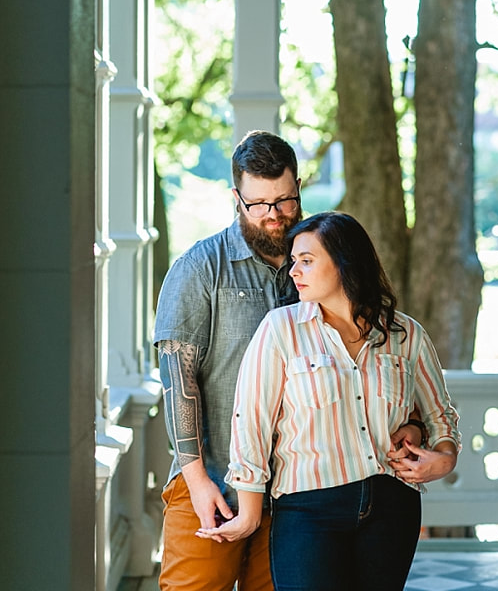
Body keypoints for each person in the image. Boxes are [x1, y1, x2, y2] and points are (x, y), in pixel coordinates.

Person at [155, 131, 423, 590]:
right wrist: (198, 480)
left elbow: (371, 360)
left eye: (284, 200)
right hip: (213, 480)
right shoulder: (200, 268)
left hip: (297, 497)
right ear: (235, 196)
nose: (273, 215)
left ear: (298, 187)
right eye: (258, 203)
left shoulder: (323, 261)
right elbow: (179, 382)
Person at [197, 211, 461, 591]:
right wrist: (250, 512)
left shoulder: (405, 334)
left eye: (306, 261)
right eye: (293, 262)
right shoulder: (281, 330)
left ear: (344, 262)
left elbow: (440, 413)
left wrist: (445, 458)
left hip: (391, 506)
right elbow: (252, 422)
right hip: (308, 512)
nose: (293, 272)